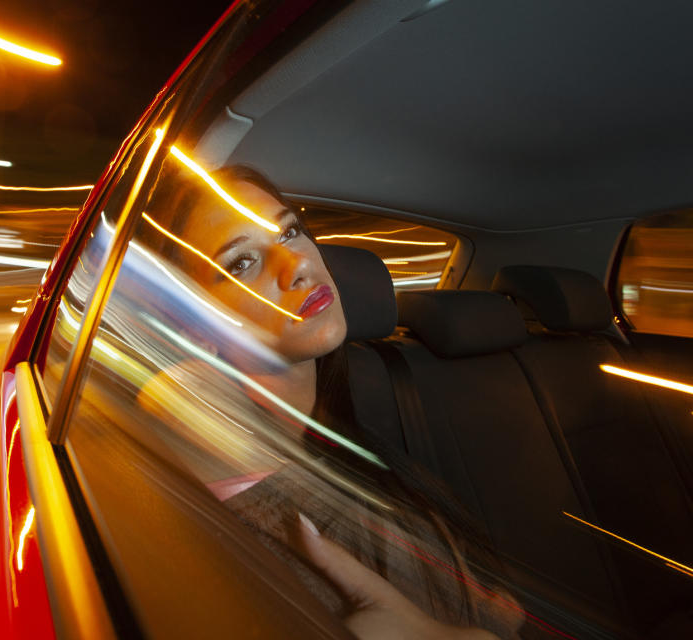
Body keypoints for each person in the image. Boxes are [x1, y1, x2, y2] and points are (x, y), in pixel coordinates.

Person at [140, 164, 527, 639]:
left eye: (290, 231)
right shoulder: (233, 491)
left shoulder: (351, 445)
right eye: (241, 262)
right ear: (195, 325)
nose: (297, 264)